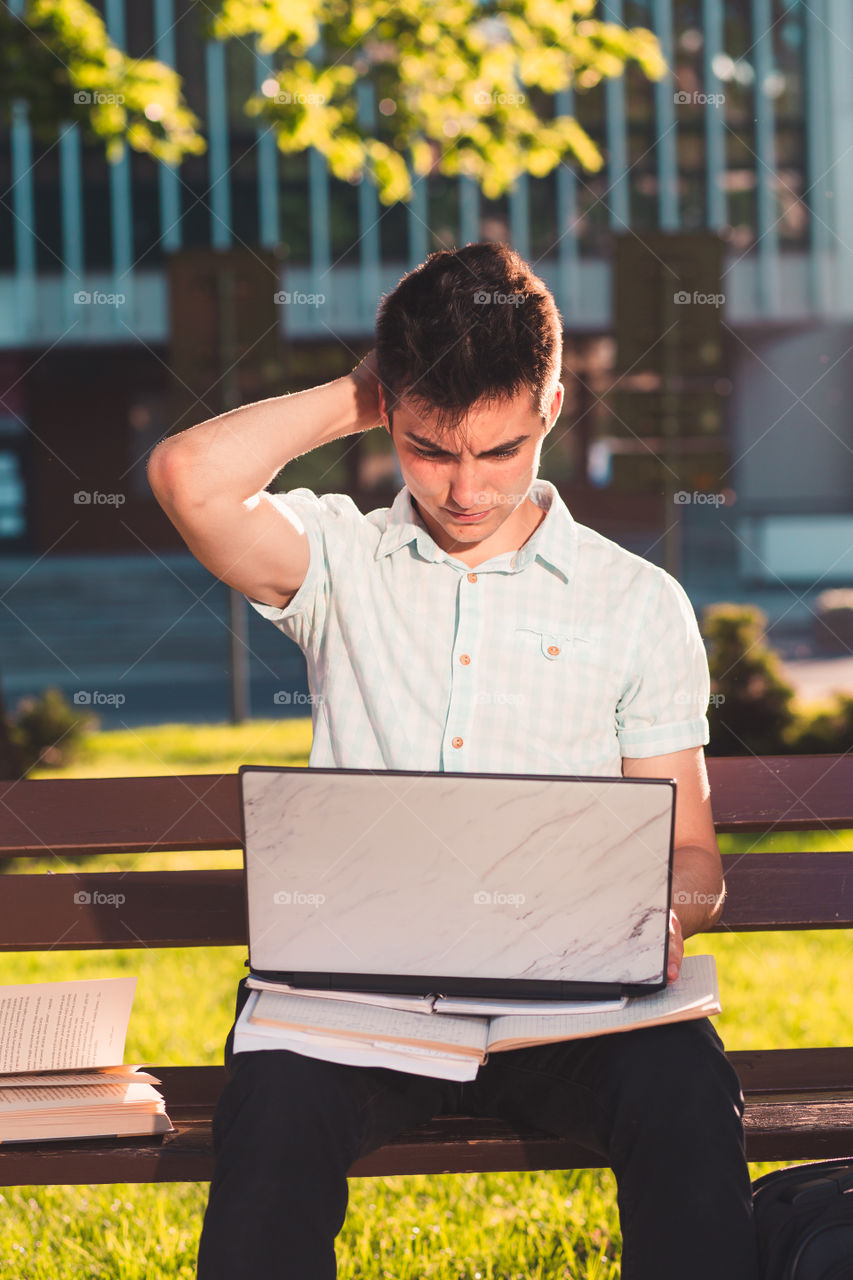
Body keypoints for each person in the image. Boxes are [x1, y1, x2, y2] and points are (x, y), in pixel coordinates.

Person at [148, 241, 760, 1280]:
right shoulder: (340, 559)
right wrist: (356, 392)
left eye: (500, 448)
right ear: (391, 415)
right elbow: (186, 476)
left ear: (554, 406)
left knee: (687, 1094)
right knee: (271, 1116)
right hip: (357, 1011)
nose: (465, 486)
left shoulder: (636, 601)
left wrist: (663, 913)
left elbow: (692, 853)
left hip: (570, 1011)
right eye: (431, 449)